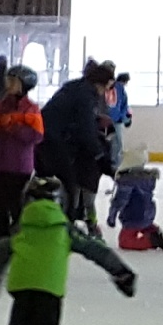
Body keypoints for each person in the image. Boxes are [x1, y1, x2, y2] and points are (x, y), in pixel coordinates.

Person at [0, 175, 136, 325]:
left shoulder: (21, 227)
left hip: (21, 285)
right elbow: (94, 249)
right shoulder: (65, 229)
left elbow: (2, 249)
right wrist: (121, 272)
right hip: (49, 286)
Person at [0, 66, 44, 288]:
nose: (8, 84)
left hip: (19, 170)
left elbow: (36, 135)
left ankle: (19, 253)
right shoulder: (2, 105)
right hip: (0, 167)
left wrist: (12, 126)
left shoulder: (31, 109)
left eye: (13, 81)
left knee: (18, 214)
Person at [38, 62, 116, 229]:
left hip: (47, 137)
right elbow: (85, 129)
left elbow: (79, 122)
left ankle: (51, 220)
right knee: (69, 184)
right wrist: (100, 156)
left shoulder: (77, 88)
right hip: (53, 140)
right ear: (102, 84)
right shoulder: (86, 95)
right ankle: (64, 225)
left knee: (54, 182)